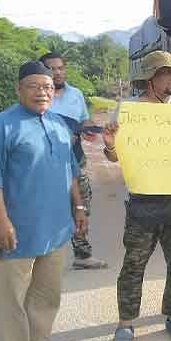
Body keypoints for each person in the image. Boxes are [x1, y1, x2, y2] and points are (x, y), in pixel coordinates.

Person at [0, 61, 87, 341]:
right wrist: (1, 221)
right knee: (11, 296)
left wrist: (79, 207)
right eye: (34, 86)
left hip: (56, 226)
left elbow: (71, 171)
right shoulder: (0, 126)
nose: (42, 92)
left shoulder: (58, 124)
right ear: (18, 89)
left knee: (46, 292)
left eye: (48, 87)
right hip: (18, 228)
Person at [101, 51, 171, 341]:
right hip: (143, 199)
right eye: (166, 73)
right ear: (150, 79)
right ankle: (125, 323)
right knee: (134, 263)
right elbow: (115, 156)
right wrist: (110, 146)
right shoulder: (130, 110)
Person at [43, 52, 108, 270]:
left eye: (60, 68)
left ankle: (82, 254)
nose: (57, 72)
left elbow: (83, 120)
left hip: (75, 161)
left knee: (81, 206)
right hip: (45, 164)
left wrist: (90, 129)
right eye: (52, 68)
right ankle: (42, 256)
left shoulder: (76, 94)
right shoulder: (38, 96)